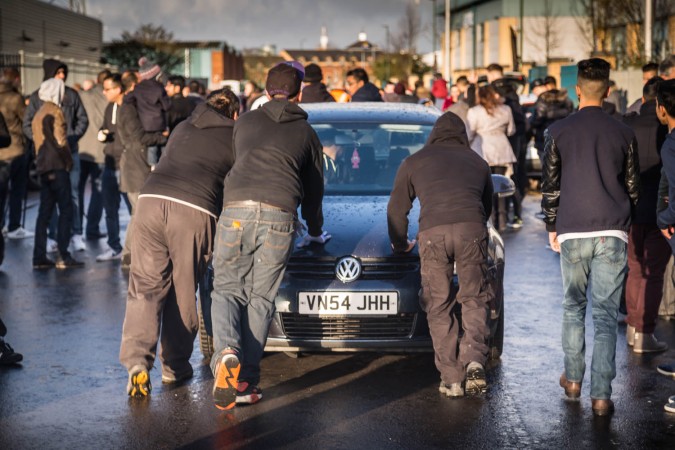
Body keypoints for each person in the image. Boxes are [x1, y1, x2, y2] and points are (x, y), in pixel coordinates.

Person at [210, 61, 328, 410]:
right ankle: (245, 381)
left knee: (227, 288)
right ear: (299, 93)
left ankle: (226, 352)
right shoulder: (307, 134)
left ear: (265, 92)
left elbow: (228, 164)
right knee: (261, 298)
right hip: (280, 213)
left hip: (235, 212)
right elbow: (314, 189)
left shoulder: (244, 121)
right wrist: (317, 230)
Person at [120, 89, 240, 398]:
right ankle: (175, 367)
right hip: (195, 210)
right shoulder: (235, 136)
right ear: (235, 114)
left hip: (150, 200)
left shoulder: (183, 127)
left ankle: (137, 364)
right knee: (182, 289)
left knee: (145, 286)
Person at [542, 58, 640, 416]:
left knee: (572, 306)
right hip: (612, 229)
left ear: (577, 90)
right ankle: (601, 396)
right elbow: (633, 188)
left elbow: (550, 187)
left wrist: (552, 226)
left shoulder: (557, 132)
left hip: (572, 228)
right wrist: (623, 224)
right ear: (609, 90)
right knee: (604, 315)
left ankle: (572, 379)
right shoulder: (623, 133)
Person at [387, 111, 493, 397]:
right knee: (474, 297)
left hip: (432, 234)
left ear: (433, 134)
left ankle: (452, 378)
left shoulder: (414, 161)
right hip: (472, 230)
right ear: (462, 135)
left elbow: (397, 209)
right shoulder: (478, 162)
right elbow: (487, 205)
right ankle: (473, 360)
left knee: (438, 303)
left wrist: (400, 243)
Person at [623, 77, 670, 353]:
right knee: (653, 273)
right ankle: (645, 333)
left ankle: (632, 328)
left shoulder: (627, 125)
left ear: (642, 99)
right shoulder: (667, 129)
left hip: (631, 208)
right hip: (659, 209)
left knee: (635, 269)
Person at [23, 59, 89, 253]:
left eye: (63, 72)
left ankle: (74, 234)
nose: (61, 76)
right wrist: (44, 141)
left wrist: (73, 138)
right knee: (55, 203)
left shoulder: (70, 95)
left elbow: (82, 120)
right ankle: (59, 245)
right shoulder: (45, 103)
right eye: (58, 72)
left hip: (64, 153)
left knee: (70, 196)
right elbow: (30, 125)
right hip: (58, 158)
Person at [116, 71, 168, 270]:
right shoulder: (128, 109)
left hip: (137, 166)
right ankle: (129, 256)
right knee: (139, 214)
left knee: (140, 214)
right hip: (134, 168)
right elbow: (138, 138)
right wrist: (163, 136)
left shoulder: (134, 107)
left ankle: (132, 255)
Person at [31, 78, 84, 269]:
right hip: (58, 167)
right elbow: (62, 141)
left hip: (43, 168)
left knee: (44, 214)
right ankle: (63, 255)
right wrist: (68, 161)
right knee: (66, 210)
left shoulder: (38, 113)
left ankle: (39, 257)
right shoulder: (55, 111)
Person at [467, 84, 515, 230]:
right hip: (502, 148)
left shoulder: (474, 111)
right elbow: (511, 130)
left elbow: (469, 133)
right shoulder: (506, 109)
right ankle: (503, 219)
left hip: (482, 149)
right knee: (501, 187)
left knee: (486, 188)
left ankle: (490, 220)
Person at [95, 73, 126, 262]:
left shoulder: (129, 108)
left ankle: (134, 249)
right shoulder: (109, 107)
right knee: (110, 208)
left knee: (134, 209)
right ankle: (114, 246)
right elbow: (104, 126)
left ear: (118, 89)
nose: (104, 92)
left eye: (107, 89)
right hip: (108, 162)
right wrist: (102, 134)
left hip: (125, 164)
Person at [78, 69, 111, 241]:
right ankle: (92, 228)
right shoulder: (107, 97)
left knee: (78, 190)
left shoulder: (82, 95)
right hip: (100, 151)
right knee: (98, 192)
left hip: (81, 148)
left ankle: (76, 229)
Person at [0, 68, 31, 239]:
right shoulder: (15, 98)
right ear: (16, 79)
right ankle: (14, 226)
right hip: (15, 148)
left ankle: (2, 225)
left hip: (1, 150)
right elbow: (26, 120)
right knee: (17, 189)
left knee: (1, 191)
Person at [124, 57, 171, 168]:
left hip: (145, 124)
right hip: (159, 124)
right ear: (154, 74)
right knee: (163, 148)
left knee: (151, 148)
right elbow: (167, 106)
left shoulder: (138, 88)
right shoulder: (159, 87)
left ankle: (152, 167)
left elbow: (127, 100)